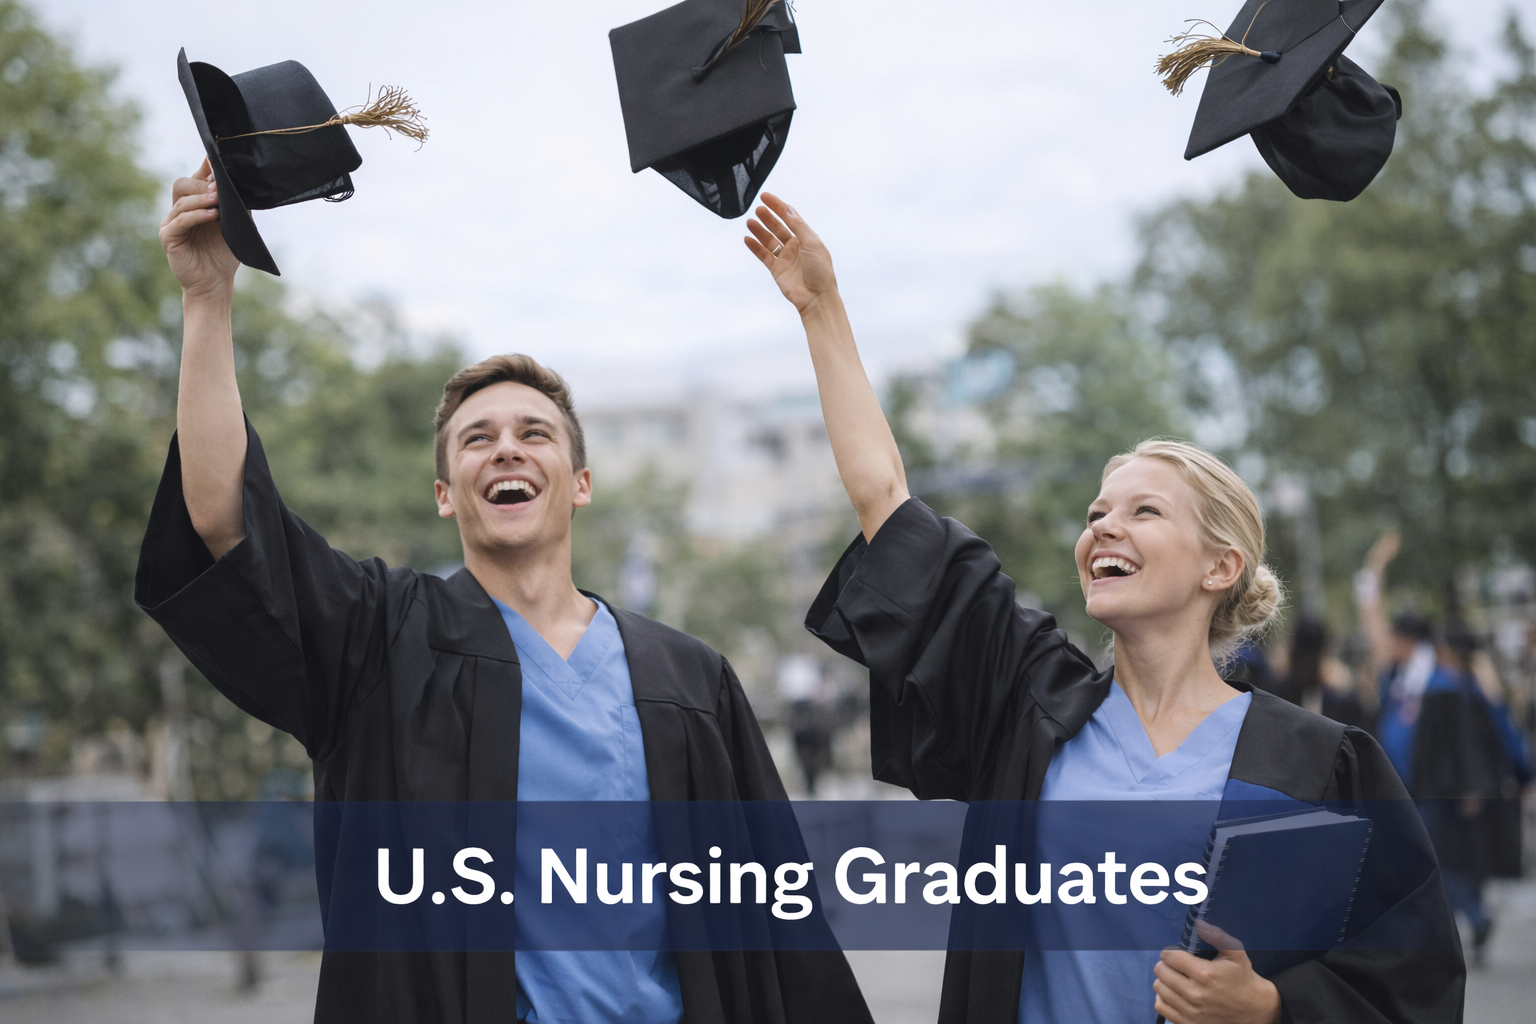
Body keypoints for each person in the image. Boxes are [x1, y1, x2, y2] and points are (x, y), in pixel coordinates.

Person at [138, 162, 874, 1024]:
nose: (507, 450)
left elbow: (781, 930)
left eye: (535, 434)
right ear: (447, 491)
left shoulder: (689, 682)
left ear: (581, 481)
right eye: (477, 440)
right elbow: (226, 520)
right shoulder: (380, 643)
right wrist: (207, 299)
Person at [742, 194, 1464, 1024]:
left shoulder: (1319, 764)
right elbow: (887, 500)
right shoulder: (1031, 706)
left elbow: (1411, 984)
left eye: (1143, 511)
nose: (1104, 527)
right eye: (1096, 514)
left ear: (1220, 566)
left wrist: (1270, 1008)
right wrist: (822, 309)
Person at [1414, 625, 1532, 967]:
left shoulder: (1445, 689)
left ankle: (1475, 917)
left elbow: (1452, 747)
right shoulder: (1476, 687)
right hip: (1473, 792)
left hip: (1449, 793)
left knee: (1443, 860)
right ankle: (1468, 920)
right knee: (1466, 860)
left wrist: (1468, 786)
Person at [1273, 616, 1368, 730]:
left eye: (1312, 658)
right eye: (1303, 658)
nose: (1307, 666)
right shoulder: (1277, 696)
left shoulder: (1342, 702)